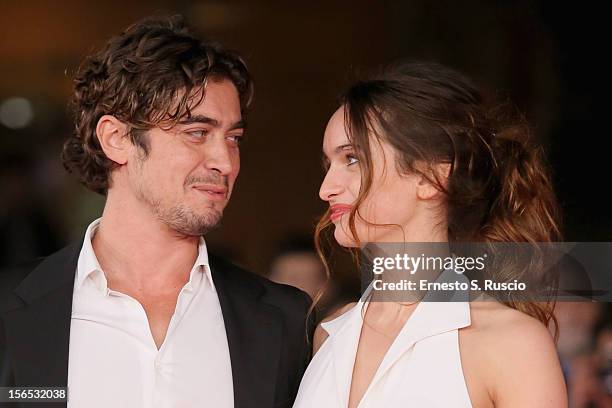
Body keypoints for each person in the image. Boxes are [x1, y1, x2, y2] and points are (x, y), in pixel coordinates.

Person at [0, 16, 313, 408]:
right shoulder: (8, 307)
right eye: (197, 132)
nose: (225, 162)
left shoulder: (284, 320)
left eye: (233, 138)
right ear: (116, 139)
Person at [294, 62, 567, 407]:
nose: (326, 188)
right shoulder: (330, 333)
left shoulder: (511, 343)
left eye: (352, 158)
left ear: (429, 178)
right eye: (327, 164)